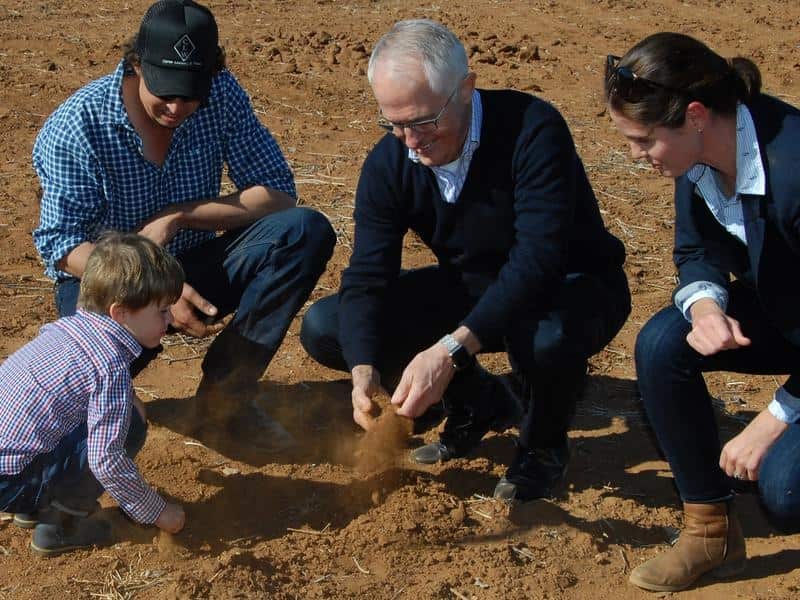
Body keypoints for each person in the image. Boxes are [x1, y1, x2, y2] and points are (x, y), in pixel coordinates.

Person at [301, 19, 630, 501]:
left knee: (543, 338)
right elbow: (369, 275)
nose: (410, 140)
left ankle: (541, 447)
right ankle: (482, 404)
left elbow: (538, 261)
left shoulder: (533, 129)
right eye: (393, 123)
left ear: (466, 88)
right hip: (474, 287)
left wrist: (450, 352)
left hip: (570, 286)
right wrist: (363, 369)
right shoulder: (391, 163)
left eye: (423, 121)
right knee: (330, 325)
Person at [31, 0, 335, 449]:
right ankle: (83, 444)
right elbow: (60, 243)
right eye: (165, 92)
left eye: (190, 94)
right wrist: (152, 287)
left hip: (193, 265)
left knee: (304, 231)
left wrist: (180, 214)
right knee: (87, 414)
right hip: (108, 288)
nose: (177, 107)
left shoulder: (222, 94)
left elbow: (277, 193)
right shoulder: (78, 125)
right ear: (135, 64)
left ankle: (225, 402)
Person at [605, 32, 800, 592]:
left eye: (643, 140)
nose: (636, 155)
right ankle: (709, 531)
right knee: (665, 342)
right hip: (789, 313)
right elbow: (695, 251)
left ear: (693, 115)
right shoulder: (699, 155)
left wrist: (774, 419)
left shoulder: (791, 170)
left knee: (785, 493)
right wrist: (709, 305)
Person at [0, 233, 186, 555]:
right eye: (162, 311)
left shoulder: (66, 329)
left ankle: (33, 504)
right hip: (12, 482)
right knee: (130, 422)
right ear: (121, 313)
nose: (170, 320)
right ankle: (62, 523)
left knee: (110, 410)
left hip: (7, 470)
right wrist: (157, 511)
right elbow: (106, 459)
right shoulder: (108, 364)